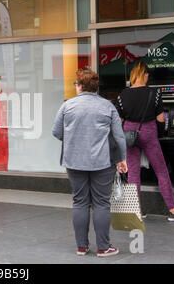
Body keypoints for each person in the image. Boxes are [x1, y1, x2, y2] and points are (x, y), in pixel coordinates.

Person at [52, 67, 127, 258]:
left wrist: (73, 138)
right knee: (102, 203)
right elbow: (119, 137)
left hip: (74, 162)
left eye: (76, 83)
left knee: (80, 202)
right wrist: (122, 159)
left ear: (80, 85)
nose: (75, 86)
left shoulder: (67, 105)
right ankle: (103, 247)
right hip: (102, 162)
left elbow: (56, 132)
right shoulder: (108, 106)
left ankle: (81, 246)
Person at [116, 61, 174, 222]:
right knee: (161, 171)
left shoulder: (122, 94)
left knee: (134, 174)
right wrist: (162, 130)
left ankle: (136, 212)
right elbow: (161, 118)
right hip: (149, 132)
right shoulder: (154, 93)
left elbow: (120, 119)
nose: (148, 76)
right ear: (144, 74)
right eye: (147, 74)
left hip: (129, 133)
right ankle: (173, 211)